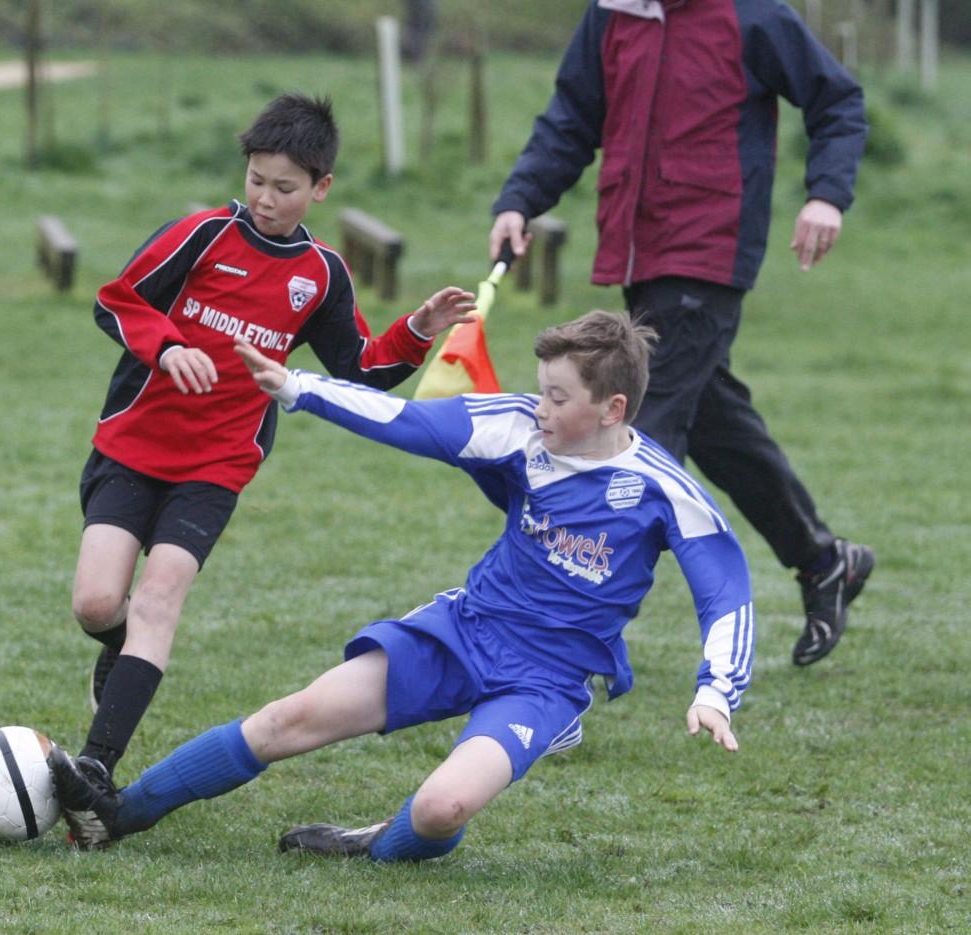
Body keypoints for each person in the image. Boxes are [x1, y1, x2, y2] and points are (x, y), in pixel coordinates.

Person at [47, 310, 756, 858]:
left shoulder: (663, 490)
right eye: (540, 389)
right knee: (284, 720)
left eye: (558, 396)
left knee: (440, 810)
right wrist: (300, 387)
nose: (538, 406)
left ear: (613, 409)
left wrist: (715, 690)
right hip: (461, 631)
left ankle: (376, 844)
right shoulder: (516, 429)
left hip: (544, 681)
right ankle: (117, 813)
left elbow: (724, 589)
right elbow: (408, 421)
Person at [70, 92, 477, 791]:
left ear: (321, 189)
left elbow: (361, 371)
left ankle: (95, 767)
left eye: (285, 188)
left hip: (218, 463)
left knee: (162, 595)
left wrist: (420, 325)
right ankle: (121, 646)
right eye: (256, 180)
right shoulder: (201, 234)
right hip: (133, 443)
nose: (265, 198)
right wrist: (167, 349)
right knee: (97, 605)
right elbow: (118, 299)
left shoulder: (321, 274)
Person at [488, 0, 873, 667]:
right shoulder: (611, 14)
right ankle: (823, 561)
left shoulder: (751, 16)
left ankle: (564, 648)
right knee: (718, 428)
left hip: (709, 254)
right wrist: (522, 198)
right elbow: (571, 119)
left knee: (635, 437)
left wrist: (826, 194)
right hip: (640, 258)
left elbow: (836, 99)